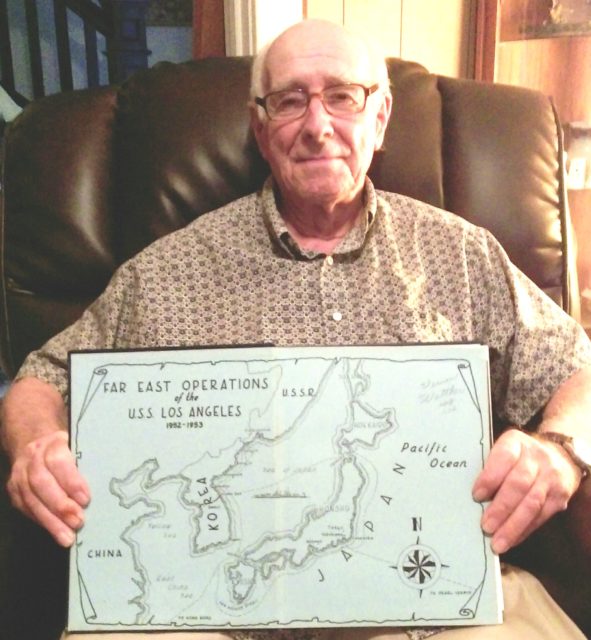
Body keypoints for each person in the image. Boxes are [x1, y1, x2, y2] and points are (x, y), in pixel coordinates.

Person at [1, 18, 591, 640]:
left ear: (380, 117)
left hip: (436, 607)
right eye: (289, 101)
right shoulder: (165, 271)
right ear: (260, 127)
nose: (317, 125)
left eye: (343, 96)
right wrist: (36, 445)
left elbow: (580, 370)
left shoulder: (461, 255)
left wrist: (560, 449)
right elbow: (42, 378)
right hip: (206, 610)